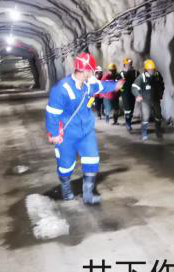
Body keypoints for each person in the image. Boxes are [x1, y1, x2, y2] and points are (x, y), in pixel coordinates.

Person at [45, 53, 123, 205]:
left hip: (86, 132)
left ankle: (88, 194)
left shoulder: (88, 85)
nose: (93, 74)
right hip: (67, 134)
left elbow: (101, 86)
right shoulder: (61, 89)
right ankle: (66, 188)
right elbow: (52, 113)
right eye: (91, 71)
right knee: (66, 165)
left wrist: (115, 85)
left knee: (92, 159)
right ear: (86, 71)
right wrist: (54, 133)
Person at [132, 59, 165, 141]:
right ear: (146, 69)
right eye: (150, 70)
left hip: (156, 99)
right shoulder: (141, 77)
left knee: (158, 116)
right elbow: (134, 87)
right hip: (145, 101)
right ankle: (144, 133)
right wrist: (138, 95)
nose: (151, 71)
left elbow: (161, 84)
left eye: (153, 69)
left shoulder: (157, 75)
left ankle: (158, 131)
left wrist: (161, 93)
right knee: (146, 117)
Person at [117, 58, 139, 133]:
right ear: (125, 65)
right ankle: (128, 123)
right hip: (125, 93)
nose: (130, 65)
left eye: (130, 64)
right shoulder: (121, 73)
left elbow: (138, 81)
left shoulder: (136, 72)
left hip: (133, 93)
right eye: (128, 64)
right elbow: (119, 83)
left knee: (131, 109)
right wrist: (119, 93)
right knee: (127, 109)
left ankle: (129, 121)